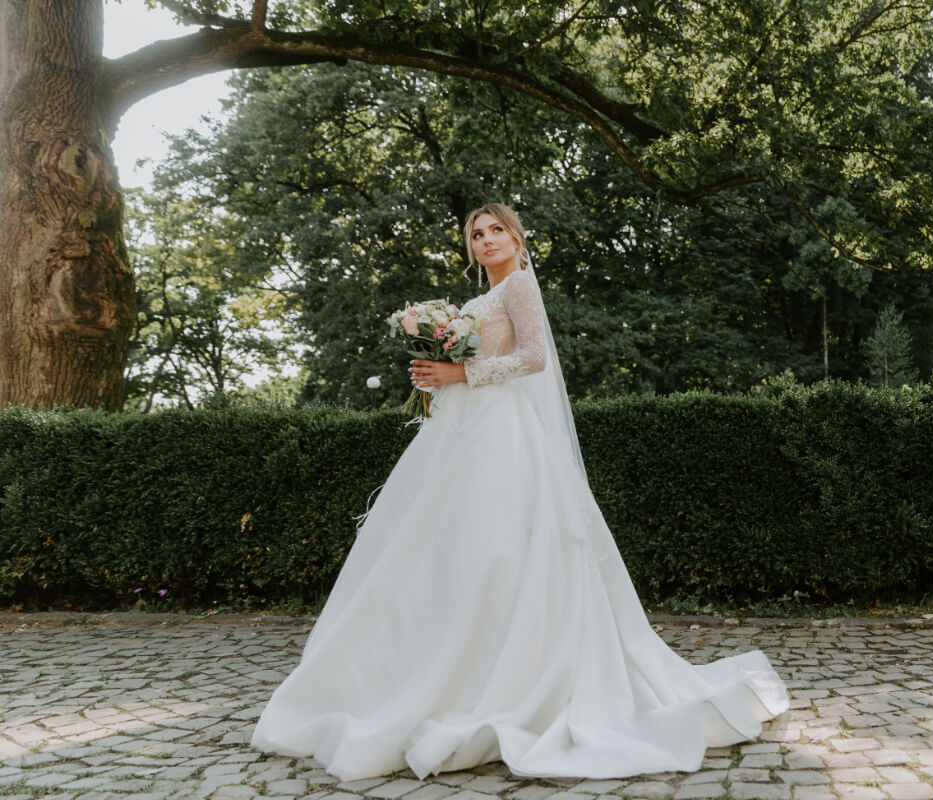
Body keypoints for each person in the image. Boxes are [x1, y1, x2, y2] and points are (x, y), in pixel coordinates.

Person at [251, 203, 788, 781]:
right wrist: (438, 373)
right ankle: (435, 672)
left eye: (495, 231)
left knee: (499, 548)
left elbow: (534, 357)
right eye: (476, 234)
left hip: (505, 437)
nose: (486, 240)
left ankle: (507, 677)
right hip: (465, 432)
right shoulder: (482, 298)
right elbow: (487, 355)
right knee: (440, 552)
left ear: (515, 236)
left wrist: (463, 373)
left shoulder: (522, 285)